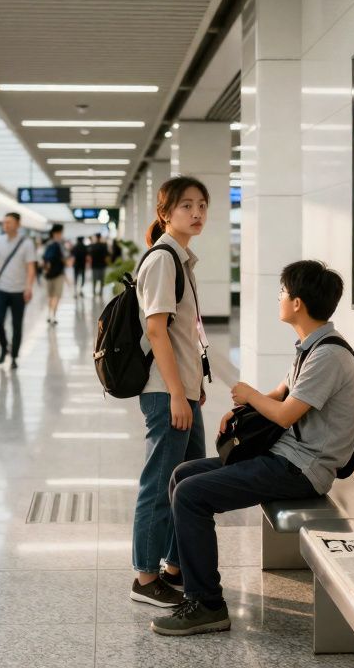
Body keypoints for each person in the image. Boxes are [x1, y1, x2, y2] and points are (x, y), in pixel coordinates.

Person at [152, 260, 354, 636]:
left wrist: (248, 393)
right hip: (285, 456)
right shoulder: (310, 347)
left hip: (302, 469)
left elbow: (284, 415)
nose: (278, 298)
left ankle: (208, 605)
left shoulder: (328, 355)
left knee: (190, 495)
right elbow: (281, 394)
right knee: (182, 474)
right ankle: (189, 574)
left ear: (297, 303)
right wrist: (240, 410)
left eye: (282, 291)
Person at [130, 176, 210, 609]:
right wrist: (178, 394)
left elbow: (183, 334)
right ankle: (144, 577)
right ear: (165, 214)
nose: (196, 214)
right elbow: (156, 330)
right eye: (185, 206)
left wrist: (193, 388)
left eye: (201, 205)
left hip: (182, 389)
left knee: (191, 479)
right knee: (160, 482)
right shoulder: (163, 259)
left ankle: (174, 567)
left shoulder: (182, 259)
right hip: (166, 393)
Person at [0, 212, 37, 369]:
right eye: (4, 222)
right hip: (1, 289)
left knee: (17, 325)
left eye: (9, 222)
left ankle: (14, 356)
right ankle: (3, 347)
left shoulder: (27, 243)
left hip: (19, 292)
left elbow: (30, 268)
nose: (6, 225)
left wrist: (28, 287)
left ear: (18, 225)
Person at [42, 224, 69, 324]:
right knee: (56, 296)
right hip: (58, 274)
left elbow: (44, 258)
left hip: (49, 274)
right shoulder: (59, 245)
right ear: (56, 233)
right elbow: (65, 258)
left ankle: (49, 314)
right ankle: (53, 316)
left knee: (50, 296)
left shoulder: (47, 244)